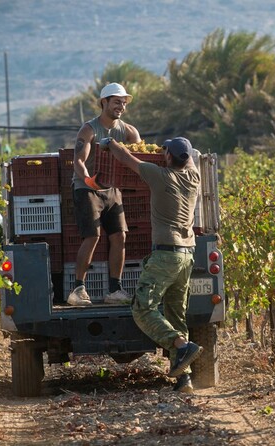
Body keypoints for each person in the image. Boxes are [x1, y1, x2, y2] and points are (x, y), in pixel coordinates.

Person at [100, 135, 202, 393]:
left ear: (167, 157)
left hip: (166, 255)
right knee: (176, 315)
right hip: (187, 253)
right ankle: (184, 379)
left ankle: (181, 345)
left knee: (142, 308)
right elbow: (189, 159)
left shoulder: (160, 176)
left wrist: (110, 142)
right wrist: (176, 152)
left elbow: (125, 158)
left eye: (166, 152)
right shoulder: (194, 178)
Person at [67, 82, 141, 306]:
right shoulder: (89, 129)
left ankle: (115, 290)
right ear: (104, 102)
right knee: (93, 236)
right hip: (87, 188)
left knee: (119, 236)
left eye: (124, 102)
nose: (121, 106)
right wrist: (88, 179)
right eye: (117, 102)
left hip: (112, 189)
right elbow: (78, 160)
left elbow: (140, 153)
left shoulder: (127, 131)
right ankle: (78, 289)